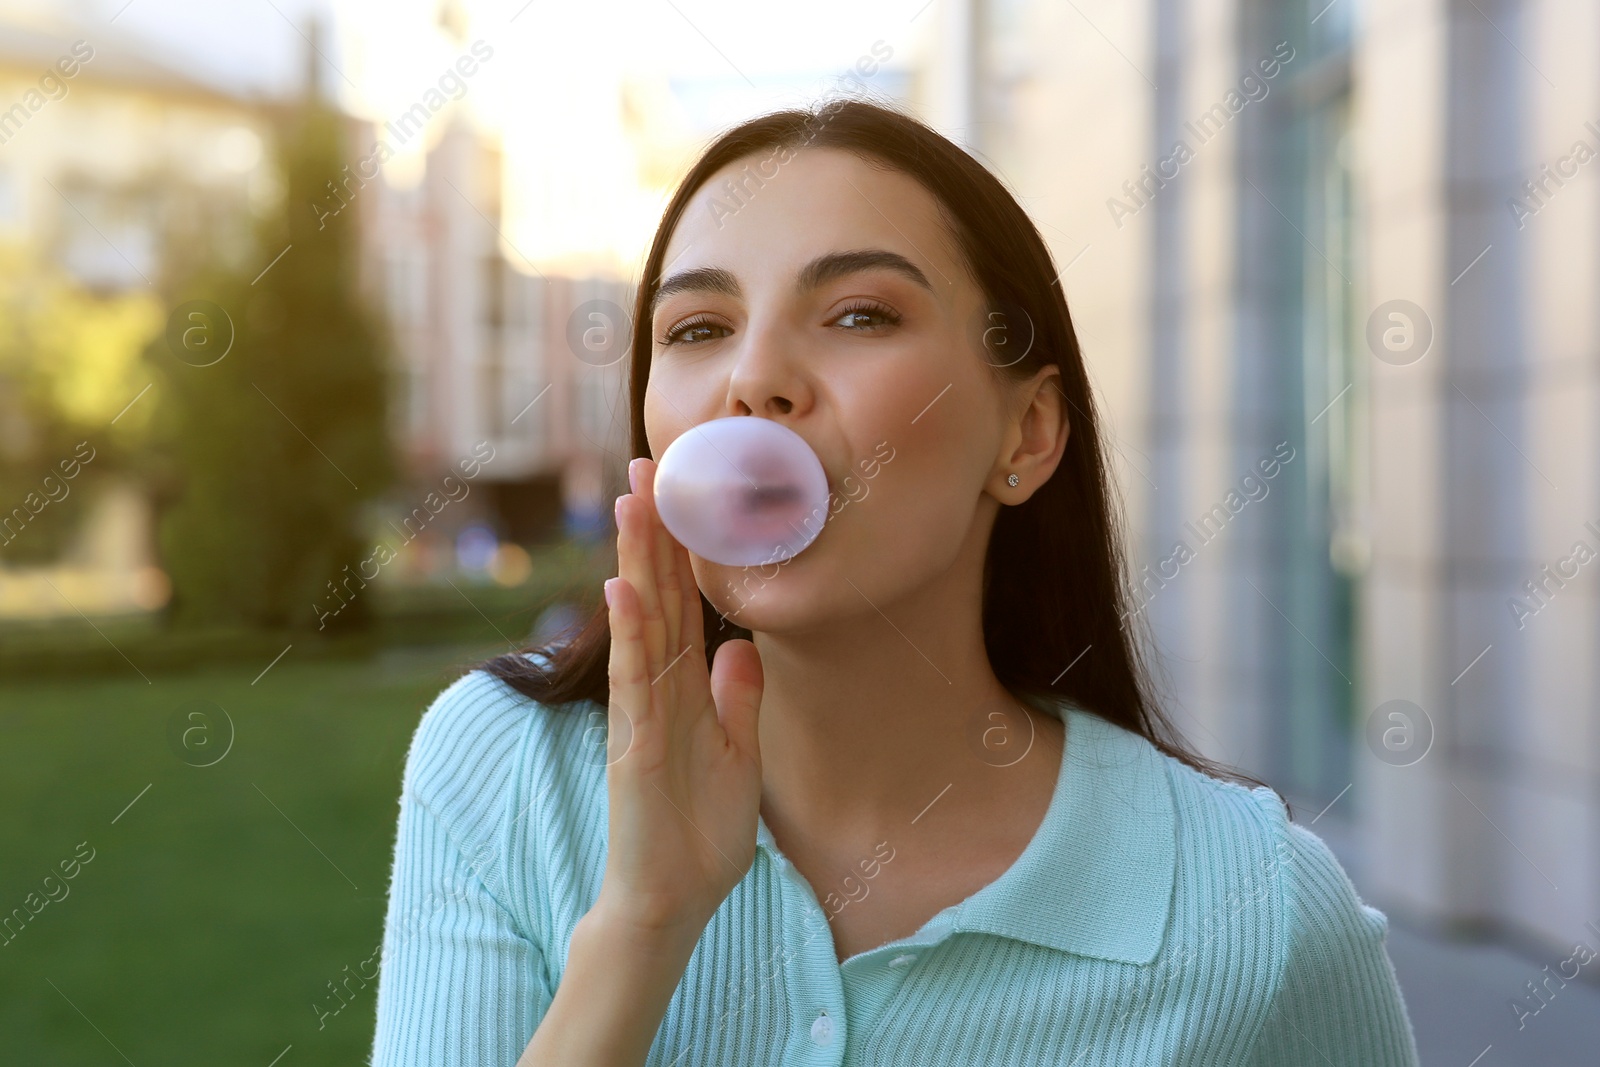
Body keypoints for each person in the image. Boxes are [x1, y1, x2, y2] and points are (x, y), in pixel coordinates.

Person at [369, 98, 1419, 1066]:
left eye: (860, 315)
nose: (752, 378)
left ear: (1028, 430)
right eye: (697, 328)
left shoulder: (1259, 913)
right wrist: (642, 922)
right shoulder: (502, 773)